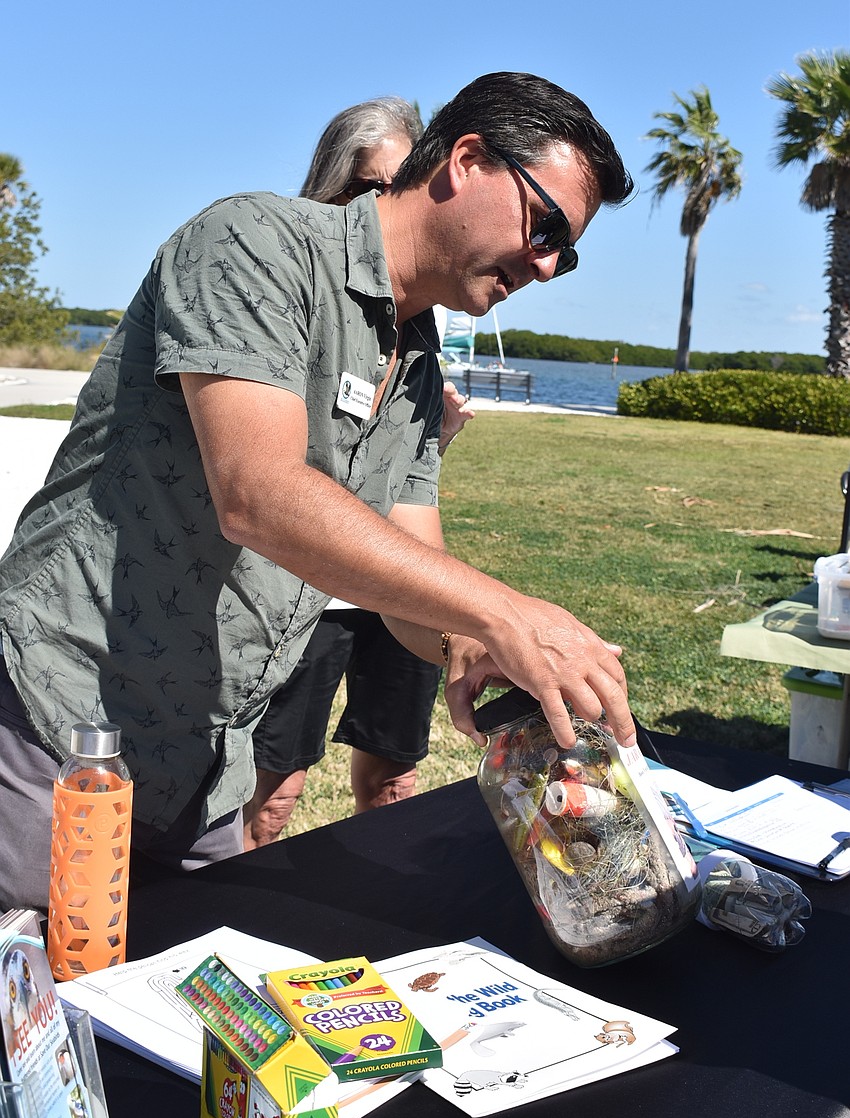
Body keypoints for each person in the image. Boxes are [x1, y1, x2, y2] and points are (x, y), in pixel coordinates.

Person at [0, 70, 636, 914]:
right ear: (468, 159)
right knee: (39, 1028)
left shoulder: (415, 369)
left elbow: (412, 567)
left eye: (570, 248)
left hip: (204, 780)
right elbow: (259, 492)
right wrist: (503, 612)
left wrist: (466, 644)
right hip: (57, 734)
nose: (550, 265)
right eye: (546, 223)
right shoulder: (255, 242)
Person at [244, 97, 475, 849]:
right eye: (369, 190)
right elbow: (263, 488)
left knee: (395, 783)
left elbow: (402, 494)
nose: (386, 215)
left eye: (401, 191)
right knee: (271, 794)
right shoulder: (273, 285)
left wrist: (482, 633)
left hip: (392, 599)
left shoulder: (418, 346)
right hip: (298, 602)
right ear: (330, 192)